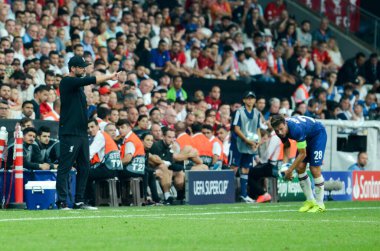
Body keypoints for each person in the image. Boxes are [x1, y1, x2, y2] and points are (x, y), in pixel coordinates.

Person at [56, 55, 119, 210]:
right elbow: (89, 80)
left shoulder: (78, 89)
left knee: (85, 168)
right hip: (69, 133)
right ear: (72, 68)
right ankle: (62, 202)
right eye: (81, 67)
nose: (84, 69)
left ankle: (79, 201)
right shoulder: (67, 81)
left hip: (82, 134)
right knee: (65, 167)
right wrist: (109, 76)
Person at [270, 115, 327, 213]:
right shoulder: (279, 131)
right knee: (300, 168)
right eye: (277, 130)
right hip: (306, 136)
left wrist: (290, 170)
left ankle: (320, 204)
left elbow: (303, 153)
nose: (280, 132)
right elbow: (287, 145)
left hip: (317, 135)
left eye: (281, 129)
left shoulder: (296, 129)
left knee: (314, 169)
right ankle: (310, 201)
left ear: (285, 123)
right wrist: (285, 166)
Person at [229, 91, 261, 203]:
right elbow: (236, 128)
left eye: (252, 98)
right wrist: (247, 140)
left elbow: (258, 129)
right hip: (238, 143)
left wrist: (258, 141)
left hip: (250, 144)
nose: (250, 100)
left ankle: (243, 194)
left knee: (246, 168)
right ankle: (228, 194)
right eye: (248, 98)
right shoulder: (239, 112)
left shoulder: (257, 113)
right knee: (233, 167)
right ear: (244, 100)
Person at [85, 118, 122, 205]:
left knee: (84, 174)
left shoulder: (100, 136)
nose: (90, 130)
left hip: (109, 169)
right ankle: (92, 199)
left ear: (98, 126)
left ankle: (88, 200)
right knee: (89, 173)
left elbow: (90, 153)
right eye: (88, 128)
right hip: (115, 169)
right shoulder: (104, 135)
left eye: (92, 127)